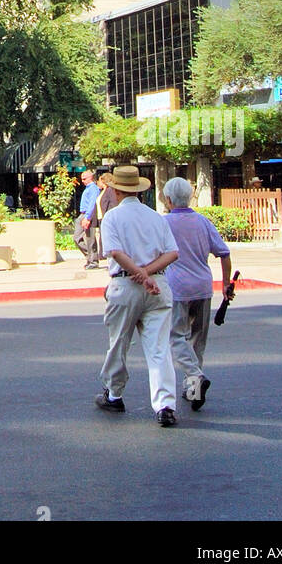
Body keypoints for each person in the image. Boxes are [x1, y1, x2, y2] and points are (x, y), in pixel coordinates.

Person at [95, 164, 180, 428]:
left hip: (126, 286)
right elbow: (171, 253)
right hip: (158, 284)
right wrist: (148, 274)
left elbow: (116, 253)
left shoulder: (112, 217)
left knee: (119, 343)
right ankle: (165, 404)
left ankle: (114, 393)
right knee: (159, 349)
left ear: (116, 190)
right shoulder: (156, 217)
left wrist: (139, 275)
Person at [163, 177, 233, 410]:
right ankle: (193, 390)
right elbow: (223, 253)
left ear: (169, 199)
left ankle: (195, 376)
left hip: (178, 288)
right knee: (197, 339)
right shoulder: (203, 222)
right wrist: (225, 284)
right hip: (203, 287)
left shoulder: (164, 223)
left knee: (176, 338)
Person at [73, 169, 100, 269]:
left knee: (90, 239)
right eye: (82, 179)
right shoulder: (88, 188)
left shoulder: (93, 189)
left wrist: (88, 217)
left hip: (88, 214)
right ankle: (90, 257)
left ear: (91, 177)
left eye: (84, 179)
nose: (83, 181)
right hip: (82, 214)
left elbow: (92, 204)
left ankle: (93, 261)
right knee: (77, 238)